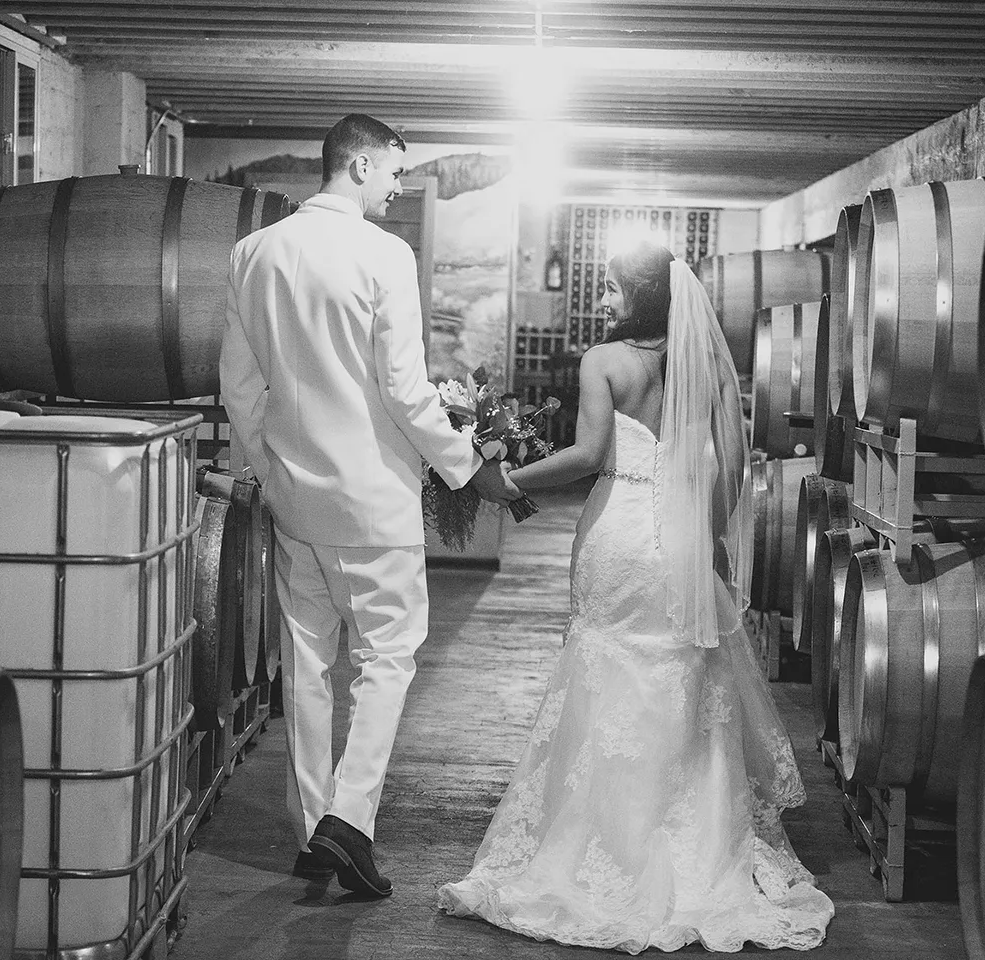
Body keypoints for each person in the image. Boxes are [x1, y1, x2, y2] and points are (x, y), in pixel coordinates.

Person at [437, 241, 834, 952]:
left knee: (606, 670)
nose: (602, 301)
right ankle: (689, 838)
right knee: (683, 676)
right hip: (680, 537)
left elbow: (589, 456)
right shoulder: (705, 361)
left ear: (642, 296)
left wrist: (504, 482)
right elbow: (732, 467)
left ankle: (606, 838)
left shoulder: (603, 361)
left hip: (618, 534)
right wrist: (708, 538)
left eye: (613, 289)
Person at [220, 113, 519, 899]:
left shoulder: (254, 253)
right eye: (392, 171)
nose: (398, 186)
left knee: (307, 665)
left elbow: (240, 388)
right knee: (388, 658)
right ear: (357, 165)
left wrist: (273, 474)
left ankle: (311, 830)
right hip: (374, 502)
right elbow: (406, 391)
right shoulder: (384, 254)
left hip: (296, 500)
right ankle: (348, 822)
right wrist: (469, 468)